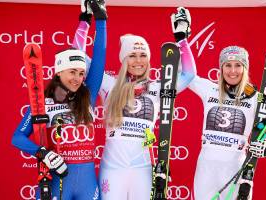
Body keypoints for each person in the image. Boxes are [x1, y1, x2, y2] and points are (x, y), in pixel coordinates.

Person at [87, 7, 194, 200]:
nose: (138, 60)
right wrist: (86, 20)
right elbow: (78, 59)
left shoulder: (157, 87)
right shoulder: (108, 84)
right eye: (132, 55)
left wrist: (181, 38)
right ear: (123, 59)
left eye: (143, 55)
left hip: (143, 168)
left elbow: (188, 74)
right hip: (113, 169)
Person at [184, 14, 266, 200]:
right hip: (206, 167)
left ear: (245, 68)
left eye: (238, 65)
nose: (232, 71)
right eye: (228, 65)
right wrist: (182, 40)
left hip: (235, 167)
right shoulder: (210, 89)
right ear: (221, 68)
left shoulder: (257, 98)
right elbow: (188, 74)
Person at [11, 1, 107, 199]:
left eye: (81, 73)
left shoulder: (87, 94)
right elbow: (17, 137)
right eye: (72, 72)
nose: (77, 78)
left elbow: (99, 56)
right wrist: (43, 153)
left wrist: (101, 19)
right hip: (55, 182)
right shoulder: (42, 103)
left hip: (88, 185)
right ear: (58, 71)